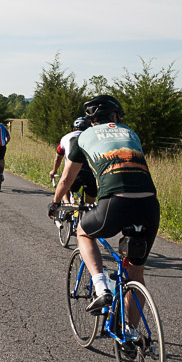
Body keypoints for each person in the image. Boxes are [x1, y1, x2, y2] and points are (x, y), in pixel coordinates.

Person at [48, 95, 159, 320]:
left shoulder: (84, 137)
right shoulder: (130, 132)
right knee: (135, 274)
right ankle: (132, 334)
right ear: (116, 116)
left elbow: (66, 180)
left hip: (115, 202)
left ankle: (101, 287)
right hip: (149, 204)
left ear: (92, 119)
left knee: (83, 231)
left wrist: (56, 202)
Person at [49, 117, 98, 208]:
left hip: (73, 173)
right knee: (90, 206)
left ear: (73, 129)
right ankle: (88, 212)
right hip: (90, 174)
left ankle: (67, 204)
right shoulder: (94, 138)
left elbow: (58, 158)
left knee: (64, 183)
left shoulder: (65, 138)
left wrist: (54, 171)